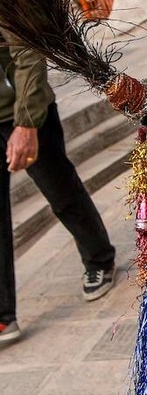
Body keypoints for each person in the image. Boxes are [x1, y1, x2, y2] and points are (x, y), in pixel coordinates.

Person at [0, 31, 117, 345]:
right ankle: (2, 315)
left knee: (60, 190)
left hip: (23, 110)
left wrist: (26, 122)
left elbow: (27, 50)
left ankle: (99, 260)